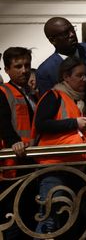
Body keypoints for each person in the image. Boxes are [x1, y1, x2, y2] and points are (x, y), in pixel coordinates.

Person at [33, 57, 86, 234]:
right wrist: (75, 123)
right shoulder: (53, 96)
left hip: (75, 168)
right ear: (66, 77)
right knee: (50, 220)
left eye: (85, 75)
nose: (84, 80)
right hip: (54, 168)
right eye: (79, 75)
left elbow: (74, 135)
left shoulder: (77, 101)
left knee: (68, 221)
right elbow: (42, 124)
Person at [0, 47, 36, 239]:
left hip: (30, 161)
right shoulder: (3, 91)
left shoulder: (30, 93)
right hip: (13, 165)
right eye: (18, 66)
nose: (24, 70)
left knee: (28, 216)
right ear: (7, 69)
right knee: (13, 217)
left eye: (27, 65)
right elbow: (3, 121)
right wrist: (14, 142)